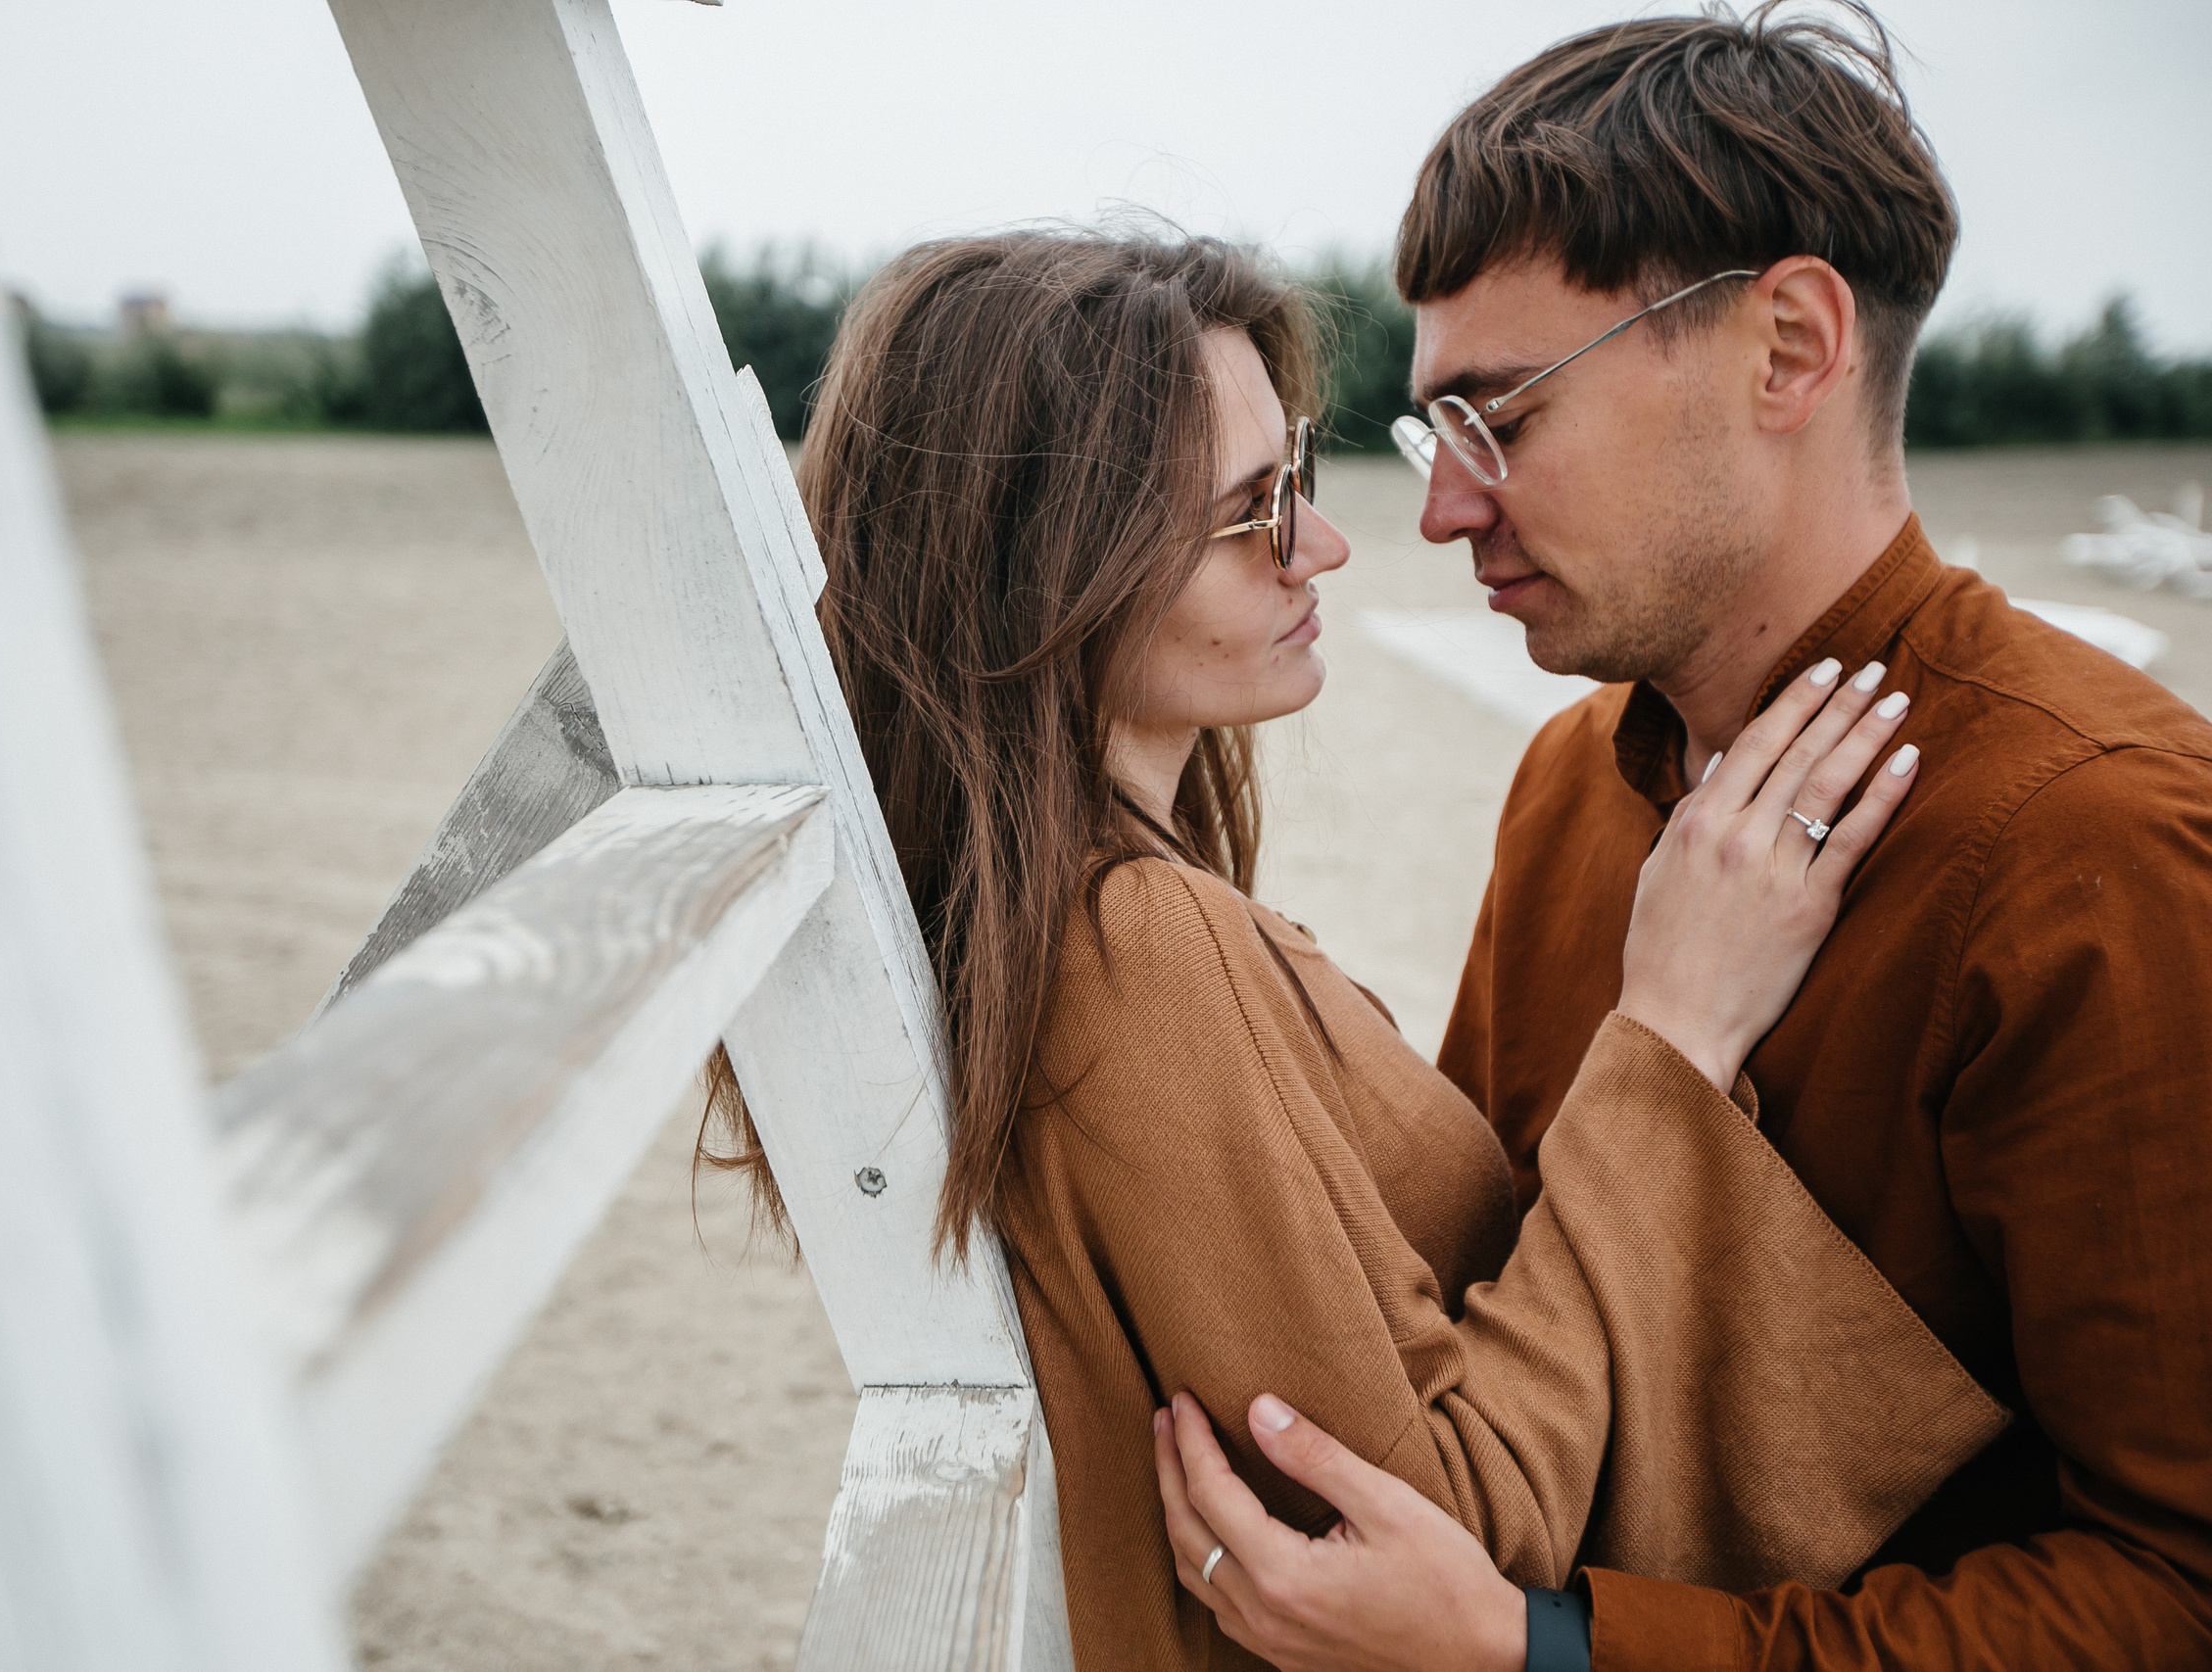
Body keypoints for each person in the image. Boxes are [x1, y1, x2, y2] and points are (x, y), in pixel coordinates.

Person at [699, 226, 2006, 1672]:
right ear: (1056, 563)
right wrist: (1675, 1035)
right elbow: (1439, 1534)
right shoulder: (1128, 944)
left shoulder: (1056, 911)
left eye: (1301, 476)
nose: (1319, 544)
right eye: (1252, 509)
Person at [1154, 6, 2212, 1669]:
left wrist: (1551, 1652)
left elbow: (2177, 1594)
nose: (1441, 508)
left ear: (1788, 348)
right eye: (1437, 431)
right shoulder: (1576, 782)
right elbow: (1514, 1297)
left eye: (1504, 413)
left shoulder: (2103, 849)